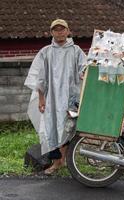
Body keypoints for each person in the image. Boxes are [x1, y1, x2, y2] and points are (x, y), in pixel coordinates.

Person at [24, 19, 86, 175]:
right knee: (51, 128)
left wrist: (85, 73)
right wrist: (41, 98)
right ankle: (56, 161)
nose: (59, 32)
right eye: (56, 30)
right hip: (51, 97)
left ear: (68, 31)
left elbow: (84, 68)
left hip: (70, 97)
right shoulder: (46, 52)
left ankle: (64, 161)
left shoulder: (76, 50)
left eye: (62, 29)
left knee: (67, 128)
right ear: (51, 32)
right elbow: (40, 78)